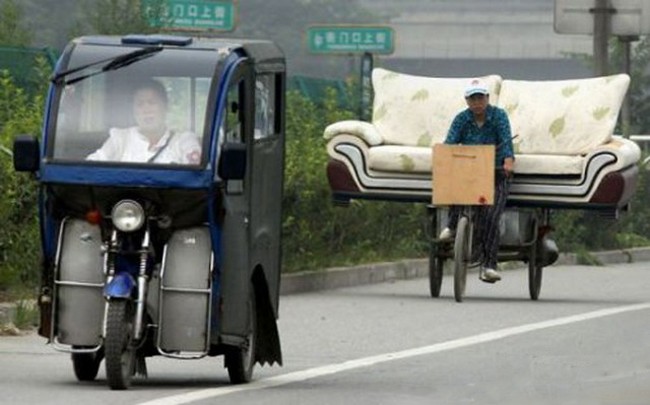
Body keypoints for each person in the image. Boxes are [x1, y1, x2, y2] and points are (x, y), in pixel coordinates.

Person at [438, 78, 515, 283]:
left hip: (495, 172)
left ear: (487, 98)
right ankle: (453, 224)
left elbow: (507, 144)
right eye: (473, 98)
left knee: (490, 215)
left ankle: (489, 265)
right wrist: (445, 157)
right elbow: (450, 142)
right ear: (467, 101)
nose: (477, 102)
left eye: (480, 97)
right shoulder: (461, 119)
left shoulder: (499, 116)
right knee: (454, 182)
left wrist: (508, 161)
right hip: (469, 170)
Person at [87, 79, 201, 164]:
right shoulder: (120, 138)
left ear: (165, 107)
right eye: (140, 104)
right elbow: (91, 165)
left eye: (152, 103)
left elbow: (197, 170)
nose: (146, 110)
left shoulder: (183, 140)